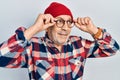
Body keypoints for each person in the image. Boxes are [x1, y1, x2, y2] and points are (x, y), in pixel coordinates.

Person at [0, 2, 119, 80]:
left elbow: (112, 49)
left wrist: (94, 30)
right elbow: (1, 58)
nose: (65, 27)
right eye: (59, 21)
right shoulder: (32, 47)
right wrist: (34, 28)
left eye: (69, 22)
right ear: (48, 26)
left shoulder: (79, 45)